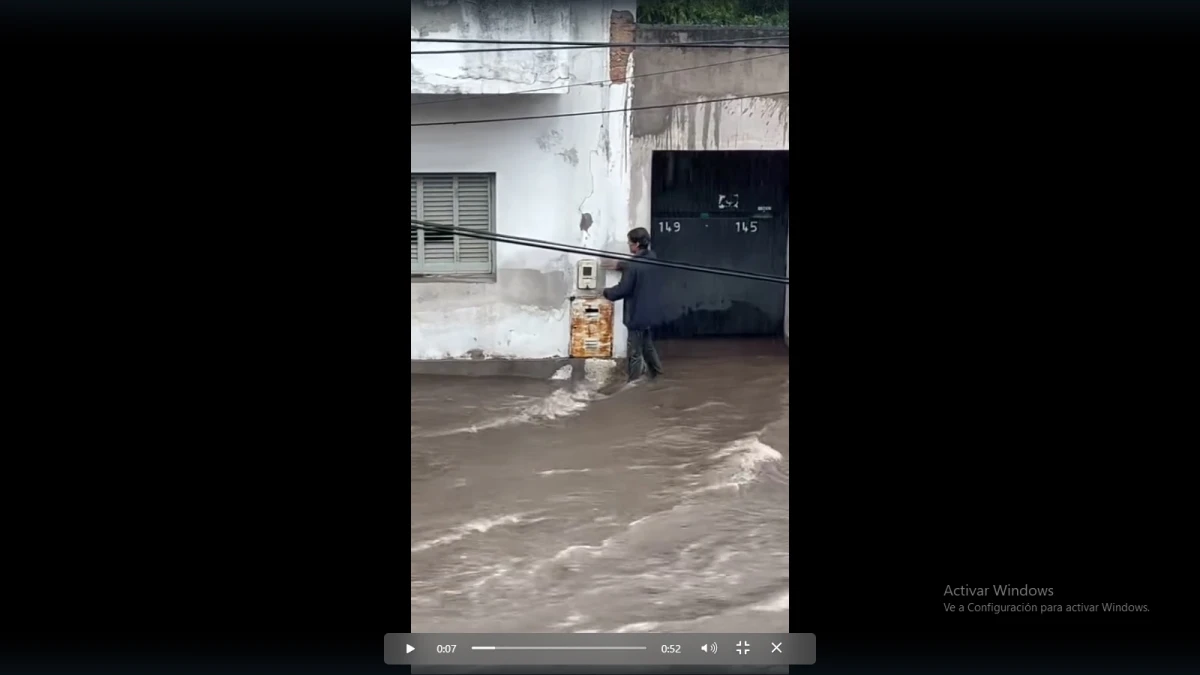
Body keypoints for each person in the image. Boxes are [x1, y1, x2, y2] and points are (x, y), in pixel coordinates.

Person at [602, 227, 665, 382]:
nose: (629, 246)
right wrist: (622, 265)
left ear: (636, 244)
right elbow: (640, 267)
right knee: (647, 346)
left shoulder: (633, 266)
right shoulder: (653, 258)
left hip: (636, 315)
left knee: (635, 353)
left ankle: (633, 385)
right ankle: (658, 376)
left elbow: (622, 290)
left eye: (630, 243)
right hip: (649, 314)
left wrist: (604, 292)